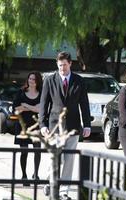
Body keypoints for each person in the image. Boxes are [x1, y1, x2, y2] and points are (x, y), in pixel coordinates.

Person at [39, 51, 91, 198]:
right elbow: (44, 104)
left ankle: (63, 191)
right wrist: (42, 124)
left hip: (73, 126)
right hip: (54, 126)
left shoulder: (79, 80)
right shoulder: (49, 80)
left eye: (65, 65)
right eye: (60, 65)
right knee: (55, 157)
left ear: (70, 64)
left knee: (69, 160)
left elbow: (84, 104)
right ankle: (50, 182)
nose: (62, 68)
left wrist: (87, 125)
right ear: (57, 64)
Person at [13, 71, 43, 185]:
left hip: (36, 125)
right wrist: (32, 107)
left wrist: (25, 105)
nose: (31, 81)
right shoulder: (20, 92)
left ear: (38, 81)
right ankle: (24, 176)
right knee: (24, 151)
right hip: (22, 125)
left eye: (34, 79)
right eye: (30, 78)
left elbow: (40, 109)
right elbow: (16, 108)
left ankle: (36, 174)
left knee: (37, 150)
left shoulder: (41, 93)